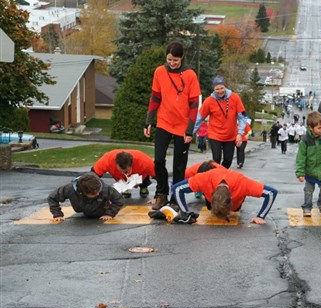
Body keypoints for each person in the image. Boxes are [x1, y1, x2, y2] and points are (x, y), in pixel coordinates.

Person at [144, 42, 201, 210]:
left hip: (183, 126)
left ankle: (176, 196)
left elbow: (194, 105)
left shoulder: (190, 75)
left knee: (179, 164)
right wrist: (148, 121)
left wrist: (190, 130)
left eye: (175, 60)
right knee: (159, 160)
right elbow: (155, 97)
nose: (172, 63)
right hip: (164, 122)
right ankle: (161, 194)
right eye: (169, 59)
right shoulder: (160, 72)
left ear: (182, 58)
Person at [170, 168, 278, 225]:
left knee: (235, 209)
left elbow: (271, 192)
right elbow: (177, 188)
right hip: (210, 197)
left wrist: (261, 216)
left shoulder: (242, 183)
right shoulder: (205, 178)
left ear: (231, 198)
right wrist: (184, 213)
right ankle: (213, 205)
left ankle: (237, 201)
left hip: (235, 204)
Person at [194, 75, 250, 169]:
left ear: (225, 86)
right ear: (213, 89)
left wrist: (240, 133)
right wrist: (189, 133)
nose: (220, 91)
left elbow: (242, 117)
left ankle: (221, 174)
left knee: (228, 160)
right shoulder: (209, 101)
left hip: (230, 135)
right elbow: (199, 118)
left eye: (222, 88)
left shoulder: (235, 98)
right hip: (215, 134)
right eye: (217, 89)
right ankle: (216, 177)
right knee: (216, 158)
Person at [48, 173, 125, 223]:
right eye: (94, 193)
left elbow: (119, 200)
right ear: (82, 192)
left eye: (98, 191)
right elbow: (52, 197)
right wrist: (57, 215)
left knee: (101, 196)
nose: (98, 193)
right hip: (81, 209)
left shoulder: (104, 188)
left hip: (100, 212)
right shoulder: (70, 189)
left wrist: (109, 214)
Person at [91, 149, 155, 198]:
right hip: (118, 177)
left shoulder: (144, 161)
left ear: (131, 165)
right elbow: (93, 175)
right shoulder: (107, 160)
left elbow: (160, 177)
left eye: (126, 171)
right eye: (121, 170)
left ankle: (143, 186)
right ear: (116, 163)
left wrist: (158, 196)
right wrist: (94, 190)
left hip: (140, 175)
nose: (124, 173)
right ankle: (124, 187)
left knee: (145, 173)